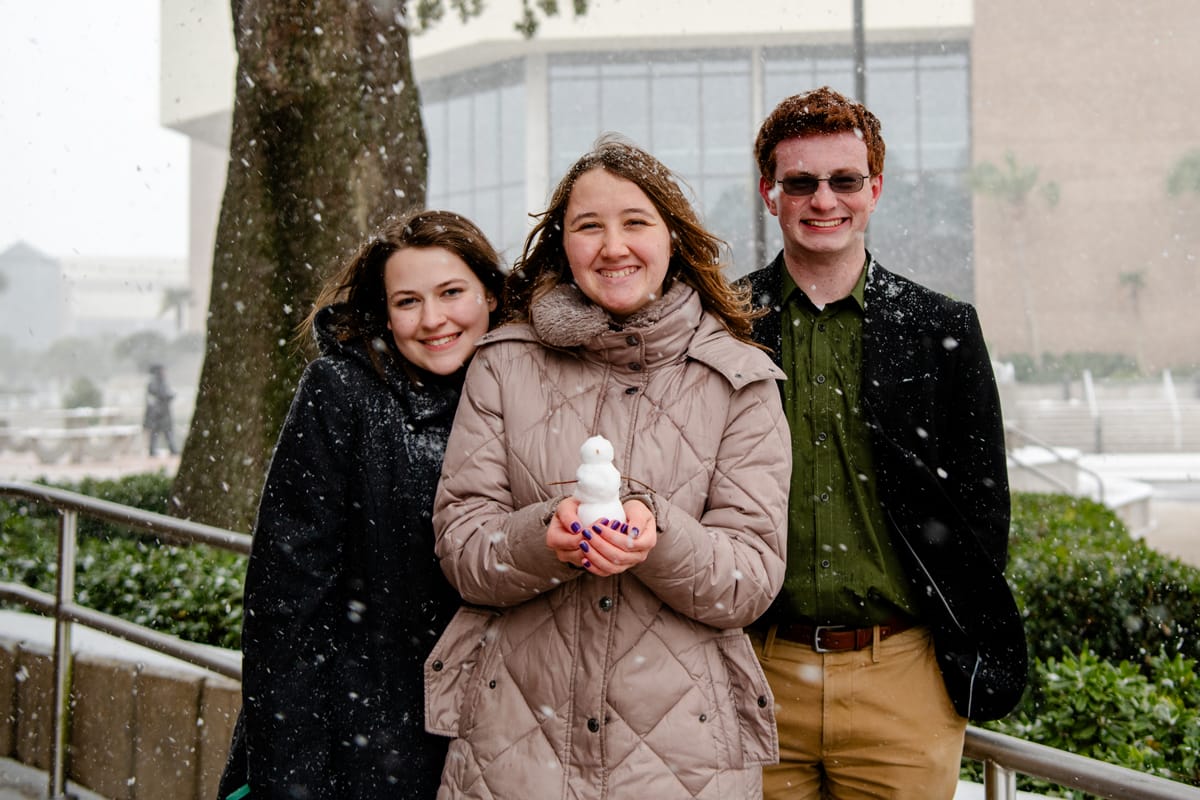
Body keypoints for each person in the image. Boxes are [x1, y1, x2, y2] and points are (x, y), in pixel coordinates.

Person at [425, 135, 792, 799]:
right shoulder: (505, 363)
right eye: (588, 226)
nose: (612, 246)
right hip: (514, 749)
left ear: (672, 236)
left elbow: (750, 578)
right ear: (562, 244)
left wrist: (659, 536)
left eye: (635, 223)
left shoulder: (742, 381)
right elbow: (462, 546)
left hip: (683, 757)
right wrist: (542, 539)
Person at [743, 86, 1028, 799]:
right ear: (768, 193)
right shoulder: (724, 323)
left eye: (843, 180)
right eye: (800, 182)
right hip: (752, 671)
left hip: (902, 675)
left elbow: (982, 509)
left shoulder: (942, 327)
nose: (823, 200)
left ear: (874, 189)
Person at [215, 210, 506, 800]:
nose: (433, 320)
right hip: (365, 743)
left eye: (452, 293)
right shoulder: (342, 392)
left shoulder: (526, 391)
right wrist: (291, 777)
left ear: (492, 296)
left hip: (497, 739)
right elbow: (286, 600)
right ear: (384, 312)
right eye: (407, 301)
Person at [143, 363, 177, 455]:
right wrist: (169, 396)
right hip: (157, 414)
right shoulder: (154, 383)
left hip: (162, 413)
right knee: (157, 433)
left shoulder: (162, 382)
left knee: (165, 433)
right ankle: (154, 451)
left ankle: (172, 450)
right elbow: (160, 395)